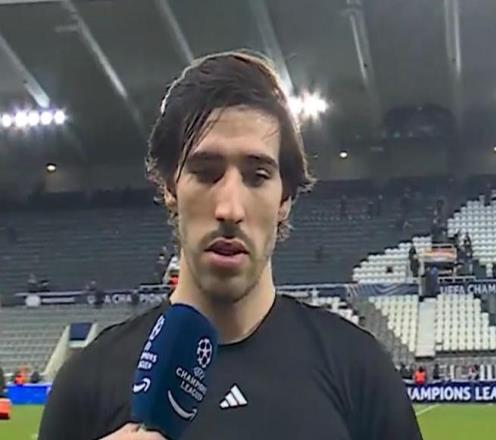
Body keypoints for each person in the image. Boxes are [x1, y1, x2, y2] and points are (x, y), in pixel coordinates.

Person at [39, 51, 422, 440]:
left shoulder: (360, 371)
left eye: (257, 177)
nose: (230, 209)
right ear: (170, 186)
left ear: (284, 198)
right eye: (206, 173)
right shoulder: (85, 385)